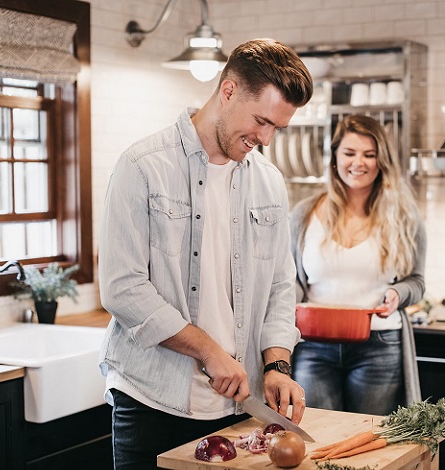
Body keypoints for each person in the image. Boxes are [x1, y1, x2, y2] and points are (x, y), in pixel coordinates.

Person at [98, 38, 314, 469]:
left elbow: (279, 287)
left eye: (277, 128)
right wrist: (210, 352)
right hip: (152, 402)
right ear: (228, 90)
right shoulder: (142, 166)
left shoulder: (269, 182)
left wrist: (277, 365)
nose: (266, 138)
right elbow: (122, 289)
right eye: (261, 121)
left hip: (237, 408)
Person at [289, 114, 426, 415]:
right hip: (313, 345)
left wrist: (398, 294)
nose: (358, 163)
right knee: (316, 436)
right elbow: (291, 282)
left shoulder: (404, 217)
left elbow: (416, 281)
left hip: (378, 345)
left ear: (382, 161)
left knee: (369, 444)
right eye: (349, 153)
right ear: (335, 157)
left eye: (369, 154)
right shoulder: (304, 214)